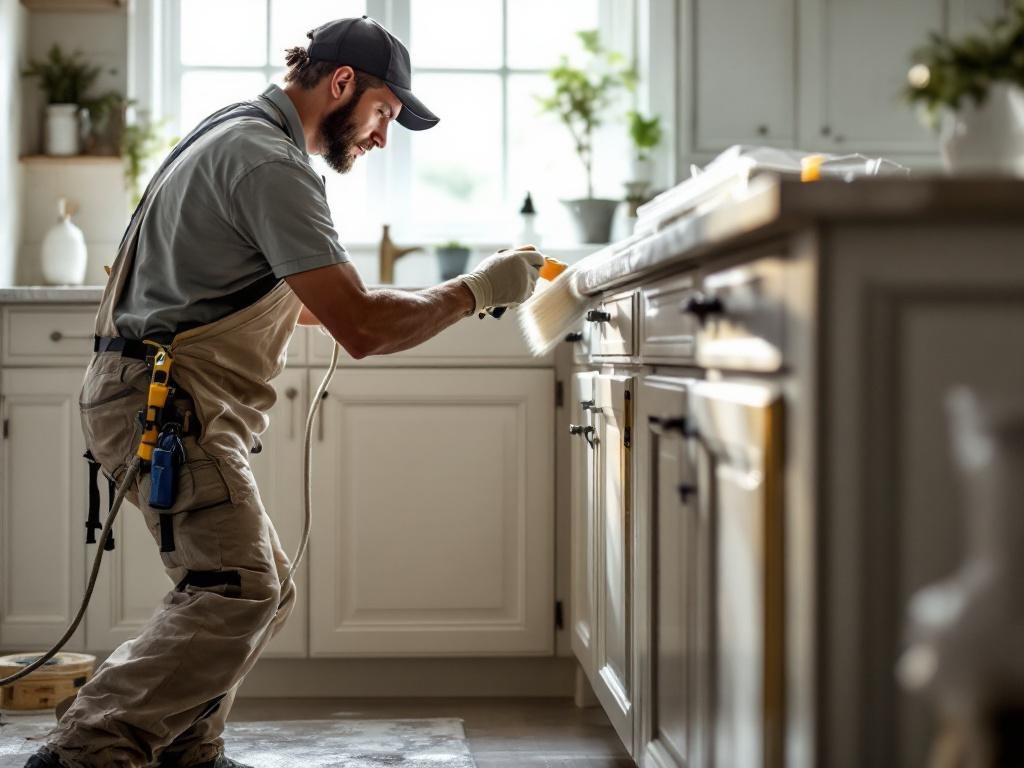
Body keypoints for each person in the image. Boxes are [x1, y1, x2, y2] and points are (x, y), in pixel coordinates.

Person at [27, 15, 544, 768]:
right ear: (342, 84)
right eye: (384, 115)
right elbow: (360, 328)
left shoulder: (232, 132)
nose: (380, 137)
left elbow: (299, 300)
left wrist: (424, 298)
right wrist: (476, 290)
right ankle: (86, 749)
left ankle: (184, 750)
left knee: (257, 585)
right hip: (169, 407)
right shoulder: (267, 161)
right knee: (238, 588)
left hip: (163, 399)